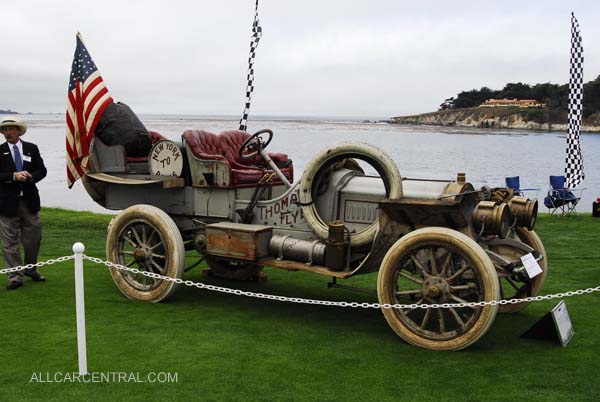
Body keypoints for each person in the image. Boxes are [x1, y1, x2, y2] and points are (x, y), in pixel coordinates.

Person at [0, 117, 47, 289]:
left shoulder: (31, 148)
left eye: (11, 129)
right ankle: (15, 277)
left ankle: (30, 269)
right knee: (9, 243)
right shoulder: (0, 151)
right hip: (7, 204)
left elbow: (42, 170)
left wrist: (31, 176)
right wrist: (13, 176)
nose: (8, 133)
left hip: (29, 201)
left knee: (33, 238)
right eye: (5, 130)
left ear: (18, 131)